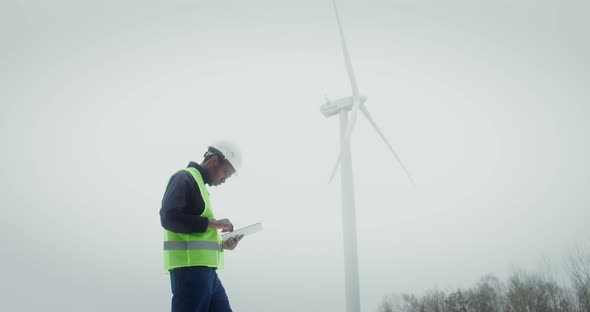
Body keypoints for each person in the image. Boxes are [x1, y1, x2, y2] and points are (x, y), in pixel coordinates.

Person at [160, 141, 244, 312]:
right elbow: (169, 217)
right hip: (190, 273)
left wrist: (222, 245)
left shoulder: (199, 186)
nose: (224, 180)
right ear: (214, 160)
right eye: (225, 173)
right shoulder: (185, 177)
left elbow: (196, 237)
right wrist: (214, 223)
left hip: (207, 275)